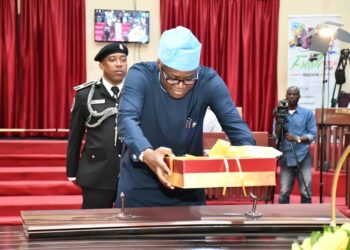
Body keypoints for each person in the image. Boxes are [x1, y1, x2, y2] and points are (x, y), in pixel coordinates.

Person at [115, 26, 255, 208]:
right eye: (172, 78)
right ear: (159, 65)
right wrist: (147, 153)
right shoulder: (140, 75)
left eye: (189, 78)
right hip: (140, 188)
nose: (180, 85)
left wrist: (250, 156)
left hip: (189, 189)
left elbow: (235, 125)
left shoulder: (208, 81)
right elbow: (126, 119)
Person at [66, 43, 128, 209]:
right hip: (96, 173)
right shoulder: (86, 94)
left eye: (123, 59)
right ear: (102, 65)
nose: (119, 64)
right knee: (95, 225)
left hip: (132, 173)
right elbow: (75, 136)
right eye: (112, 59)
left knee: (132, 226)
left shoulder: (136, 93)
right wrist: (71, 171)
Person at [273, 86, 316, 204]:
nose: (292, 96)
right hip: (286, 155)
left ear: (299, 96)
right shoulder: (280, 113)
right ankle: (284, 219)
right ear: (286, 96)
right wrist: (278, 119)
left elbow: (313, 134)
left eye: (295, 94)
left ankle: (306, 218)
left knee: (306, 190)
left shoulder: (307, 113)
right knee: (284, 190)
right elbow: (276, 135)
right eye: (289, 94)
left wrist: (296, 139)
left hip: (303, 156)